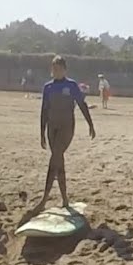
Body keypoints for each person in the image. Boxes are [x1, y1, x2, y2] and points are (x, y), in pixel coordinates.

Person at [39, 55, 96, 207]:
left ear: (65, 70)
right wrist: (42, 133)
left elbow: (82, 105)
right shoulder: (48, 87)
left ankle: (44, 197)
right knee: (59, 161)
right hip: (52, 128)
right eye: (54, 69)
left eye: (59, 69)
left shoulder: (71, 86)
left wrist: (90, 124)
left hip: (66, 127)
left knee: (55, 157)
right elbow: (44, 110)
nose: (56, 71)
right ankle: (65, 199)